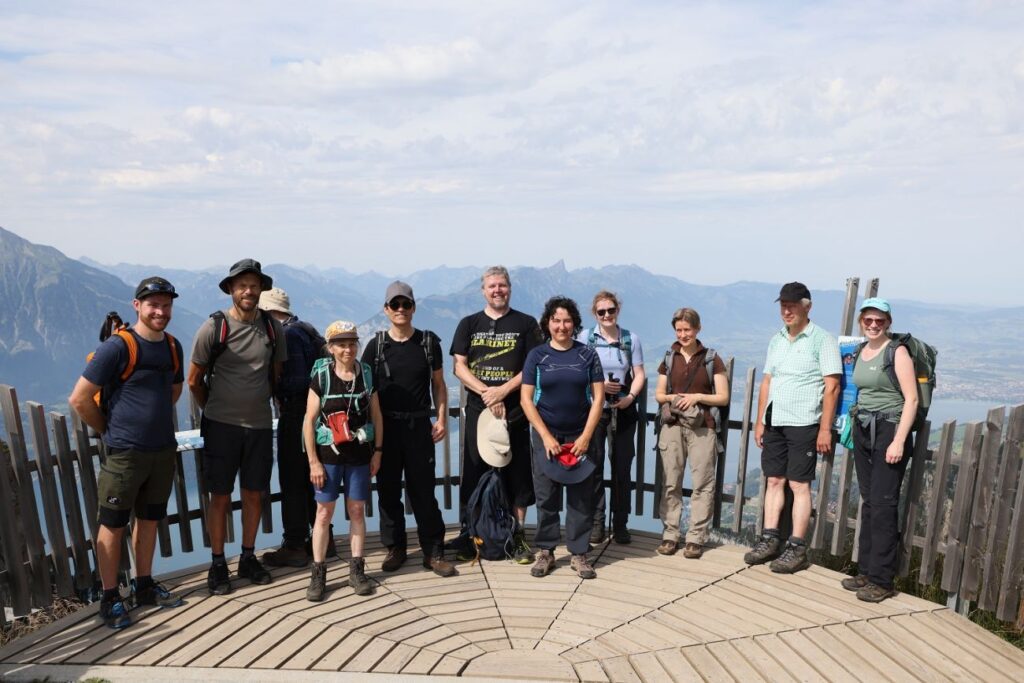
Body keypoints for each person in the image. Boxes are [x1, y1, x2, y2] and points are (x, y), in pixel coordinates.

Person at [69, 277, 185, 629]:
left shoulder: (173, 346)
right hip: (125, 454)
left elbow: (174, 391)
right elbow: (79, 399)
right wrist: (109, 430)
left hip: (161, 450)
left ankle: (144, 585)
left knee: (149, 519)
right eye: (153, 305)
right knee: (113, 523)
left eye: (166, 305)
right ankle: (110, 598)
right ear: (137, 306)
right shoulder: (118, 347)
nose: (160, 311)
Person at [187, 259, 287, 595]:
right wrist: (215, 409)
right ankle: (218, 564)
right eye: (242, 285)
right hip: (221, 427)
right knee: (220, 496)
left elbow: (276, 374)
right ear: (230, 289)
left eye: (254, 285)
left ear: (261, 289)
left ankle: (247, 557)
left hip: (259, 426)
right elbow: (193, 380)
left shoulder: (272, 329)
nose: (248, 291)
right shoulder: (213, 328)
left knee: (254, 494)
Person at [745, 282, 842, 573]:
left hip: (804, 422)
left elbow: (832, 386)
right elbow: (767, 381)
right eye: (783, 305)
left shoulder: (822, 340)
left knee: (799, 485)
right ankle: (770, 539)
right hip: (775, 420)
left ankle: (797, 547)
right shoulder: (776, 339)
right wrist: (760, 420)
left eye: (792, 305)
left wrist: (824, 429)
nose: (786, 311)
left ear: (806, 307)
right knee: (774, 480)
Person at [362, 281, 456, 577]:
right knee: (388, 490)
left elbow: (439, 385)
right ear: (386, 309)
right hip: (385, 428)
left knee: (423, 491)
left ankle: (433, 551)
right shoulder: (376, 346)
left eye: (406, 304)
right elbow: (364, 389)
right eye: (395, 304)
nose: (400, 309)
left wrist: (441, 419)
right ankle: (395, 548)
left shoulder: (428, 343)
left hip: (418, 427)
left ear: (413, 308)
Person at [450, 266, 542, 564]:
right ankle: (471, 535)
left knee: (517, 475)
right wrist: (487, 393)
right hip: (480, 411)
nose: (497, 290)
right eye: (492, 286)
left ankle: (518, 536)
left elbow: (532, 366)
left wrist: (502, 391)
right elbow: (459, 366)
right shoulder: (469, 323)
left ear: (510, 288)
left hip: (515, 411)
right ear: (483, 290)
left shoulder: (526, 324)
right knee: (474, 473)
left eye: (502, 285)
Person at [521, 296, 605, 579]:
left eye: (567, 321)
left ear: (575, 324)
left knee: (581, 498)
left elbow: (598, 398)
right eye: (556, 320)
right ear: (548, 323)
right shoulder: (537, 356)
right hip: (547, 435)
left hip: (580, 434)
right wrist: (545, 436)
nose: (561, 326)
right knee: (546, 496)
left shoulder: (587, 355)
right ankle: (546, 551)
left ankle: (579, 554)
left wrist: (586, 437)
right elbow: (526, 399)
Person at [842, 298, 918, 602]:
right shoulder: (861, 350)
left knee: (884, 504)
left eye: (880, 321)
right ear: (861, 321)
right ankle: (867, 571)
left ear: (888, 322)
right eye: (868, 320)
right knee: (870, 501)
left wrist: (899, 440)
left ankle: (882, 580)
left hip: (889, 429)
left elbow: (911, 399)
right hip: (864, 428)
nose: (874, 325)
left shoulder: (897, 352)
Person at [303, 320, 384, 601]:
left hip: (359, 455)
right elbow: (309, 421)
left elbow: (377, 416)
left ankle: (357, 571)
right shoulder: (322, 377)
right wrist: (313, 462)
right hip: (328, 458)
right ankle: (318, 573)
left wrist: (378, 451)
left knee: (357, 510)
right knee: (323, 513)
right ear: (331, 348)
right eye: (341, 345)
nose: (348, 349)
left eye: (352, 344)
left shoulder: (366, 375)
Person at [654, 308, 729, 559]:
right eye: (679, 330)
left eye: (687, 329)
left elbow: (723, 397)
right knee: (670, 482)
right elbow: (659, 395)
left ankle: (696, 537)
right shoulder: (669, 358)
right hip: (673, 426)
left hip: (703, 427)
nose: (683, 334)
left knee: (703, 484)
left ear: (698, 329)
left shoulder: (711, 359)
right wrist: (674, 398)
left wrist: (697, 397)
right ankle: (670, 534)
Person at [259, 287, 323, 568]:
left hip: (297, 413)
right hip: (315, 415)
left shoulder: (287, 335)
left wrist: (273, 386)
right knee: (311, 479)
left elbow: (298, 381)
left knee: (293, 480)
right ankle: (322, 539)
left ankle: (295, 544)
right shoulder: (306, 329)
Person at [579, 290, 646, 545]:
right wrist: (599, 385)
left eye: (611, 310)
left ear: (618, 310)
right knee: (593, 468)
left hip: (623, 410)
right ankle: (597, 523)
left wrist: (631, 397)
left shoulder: (630, 339)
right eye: (601, 312)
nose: (607, 315)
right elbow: (579, 371)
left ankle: (620, 524)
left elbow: (639, 373)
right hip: (594, 411)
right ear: (595, 314)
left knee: (621, 469)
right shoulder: (585, 338)